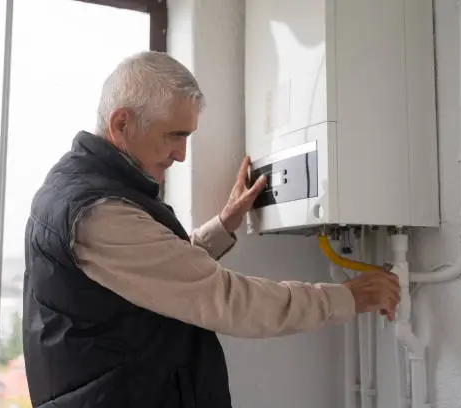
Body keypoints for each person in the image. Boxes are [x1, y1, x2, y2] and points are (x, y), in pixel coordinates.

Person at [22, 51, 400, 408]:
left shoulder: (85, 189)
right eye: (174, 136)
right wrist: (349, 297)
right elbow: (226, 299)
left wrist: (225, 223)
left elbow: (162, 272)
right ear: (122, 123)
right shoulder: (97, 212)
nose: (181, 154)